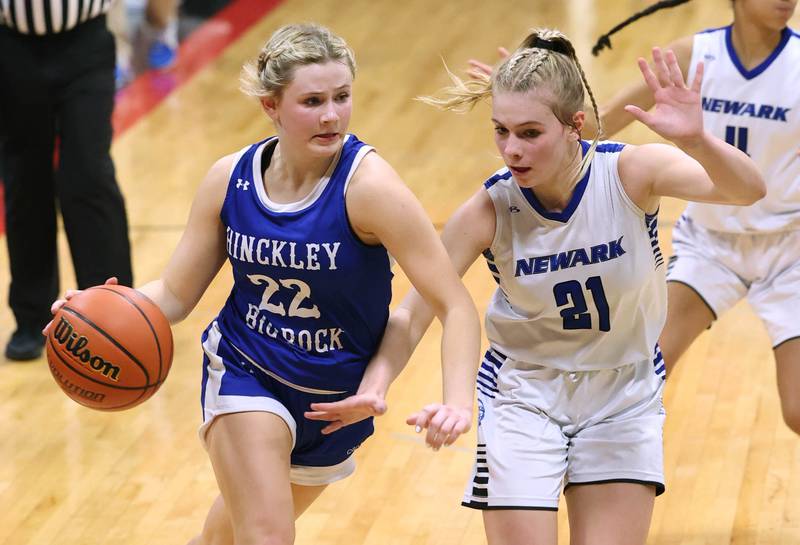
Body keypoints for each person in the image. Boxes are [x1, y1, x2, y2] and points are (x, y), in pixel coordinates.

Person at [312, 27, 765, 544]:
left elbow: (747, 190)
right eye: (500, 130)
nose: (511, 149)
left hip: (623, 392)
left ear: (575, 126)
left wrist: (696, 142)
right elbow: (414, 312)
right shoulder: (491, 207)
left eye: (529, 133)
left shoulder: (630, 173)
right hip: (524, 394)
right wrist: (375, 387)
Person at [46, 22, 480, 545]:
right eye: (312, 100)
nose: (331, 114)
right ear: (271, 106)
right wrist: (98, 311)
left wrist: (454, 399)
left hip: (334, 402)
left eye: (342, 97)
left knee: (225, 538)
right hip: (246, 371)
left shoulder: (371, 188)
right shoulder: (230, 179)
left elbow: (452, 304)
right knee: (268, 536)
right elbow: (178, 294)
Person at [467, 0, 800, 437]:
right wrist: (527, 101)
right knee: (644, 375)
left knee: (797, 410)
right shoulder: (691, 56)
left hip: (790, 249)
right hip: (710, 247)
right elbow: (594, 126)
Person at [0, 0, 134, 361]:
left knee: (88, 174)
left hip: (85, 41)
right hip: (12, 45)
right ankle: (31, 318)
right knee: (25, 180)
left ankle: (112, 314)